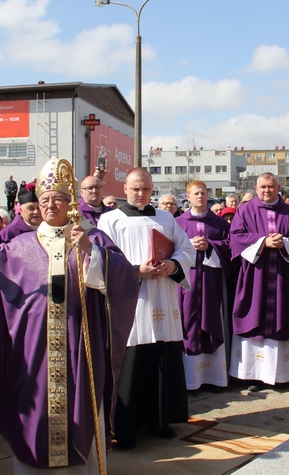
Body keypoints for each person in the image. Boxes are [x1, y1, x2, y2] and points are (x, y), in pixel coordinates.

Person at [0, 157, 139, 472]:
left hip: (79, 357)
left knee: (81, 420)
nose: (49, 205)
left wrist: (90, 252)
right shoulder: (17, 248)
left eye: (57, 198)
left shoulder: (93, 239)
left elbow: (123, 281)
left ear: (71, 203)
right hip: (32, 358)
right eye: (43, 200)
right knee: (34, 424)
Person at [97, 168, 194, 449]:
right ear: (125, 188)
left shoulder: (166, 218)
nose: (141, 194)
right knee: (131, 360)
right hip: (132, 300)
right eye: (136, 189)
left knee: (161, 357)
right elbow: (103, 260)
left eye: (146, 189)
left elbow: (185, 250)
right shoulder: (110, 220)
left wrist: (173, 265)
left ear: (152, 190)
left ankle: (160, 421)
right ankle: (125, 428)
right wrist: (135, 271)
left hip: (163, 295)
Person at [228, 173, 289, 388]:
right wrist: (264, 241)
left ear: (278, 187)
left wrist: (285, 243)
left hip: (283, 279)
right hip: (255, 276)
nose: (267, 191)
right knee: (253, 315)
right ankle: (253, 375)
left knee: (281, 316)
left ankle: (281, 374)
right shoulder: (245, 210)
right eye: (263, 187)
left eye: (271, 187)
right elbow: (235, 237)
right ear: (256, 188)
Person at [175, 181, 232, 391]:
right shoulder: (177, 222)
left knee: (212, 321)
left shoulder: (220, 224)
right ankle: (189, 380)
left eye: (204, 193)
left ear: (208, 196)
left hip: (211, 284)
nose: (200, 196)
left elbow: (230, 247)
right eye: (196, 193)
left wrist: (210, 247)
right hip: (186, 285)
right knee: (187, 324)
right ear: (188, 196)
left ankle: (214, 378)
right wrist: (189, 245)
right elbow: (169, 248)